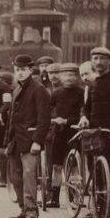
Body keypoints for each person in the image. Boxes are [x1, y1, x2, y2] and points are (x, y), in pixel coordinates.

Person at [76, 46, 110, 218]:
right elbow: (86, 106)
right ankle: (97, 208)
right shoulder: (92, 83)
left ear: (109, 61)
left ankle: (108, 210)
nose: (98, 62)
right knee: (93, 169)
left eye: (102, 58)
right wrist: (83, 117)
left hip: (109, 132)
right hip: (93, 132)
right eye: (95, 58)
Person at [4, 54, 50, 218]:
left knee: (29, 176)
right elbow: (11, 119)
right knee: (15, 177)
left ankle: (32, 212)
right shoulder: (16, 89)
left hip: (30, 141)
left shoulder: (38, 89)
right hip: (15, 141)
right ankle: (23, 209)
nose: (20, 73)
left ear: (30, 70)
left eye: (23, 70)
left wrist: (38, 141)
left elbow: (44, 119)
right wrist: (7, 141)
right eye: (17, 70)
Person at [45, 63, 83, 209]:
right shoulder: (57, 93)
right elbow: (48, 108)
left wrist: (67, 120)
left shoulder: (81, 93)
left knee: (73, 165)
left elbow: (83, 113)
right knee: (56, 165)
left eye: (72, 75)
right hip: (59, 133)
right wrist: (52, 119)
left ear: (76, 77)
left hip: (74, 132)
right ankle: (54, 198)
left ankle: (74, 197)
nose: (69, 78)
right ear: (60, 77)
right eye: (66, 75)